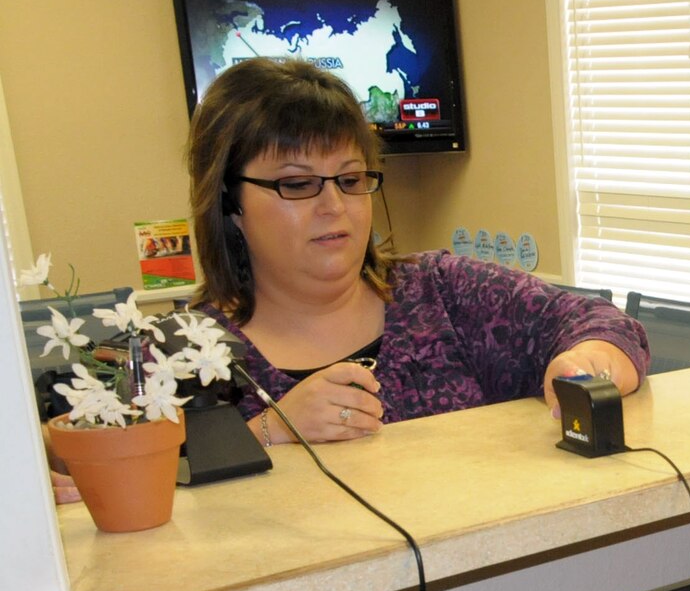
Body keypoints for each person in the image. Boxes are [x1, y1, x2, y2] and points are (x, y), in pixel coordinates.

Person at [184, 56, 649, 446]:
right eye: (298, 184)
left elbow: (601, 322)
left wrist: (588, 361)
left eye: (350, 180)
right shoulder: (183, 356)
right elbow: (146, 513)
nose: (335, 206)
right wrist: (270, 432)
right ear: (229, 202)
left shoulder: (444, 293)